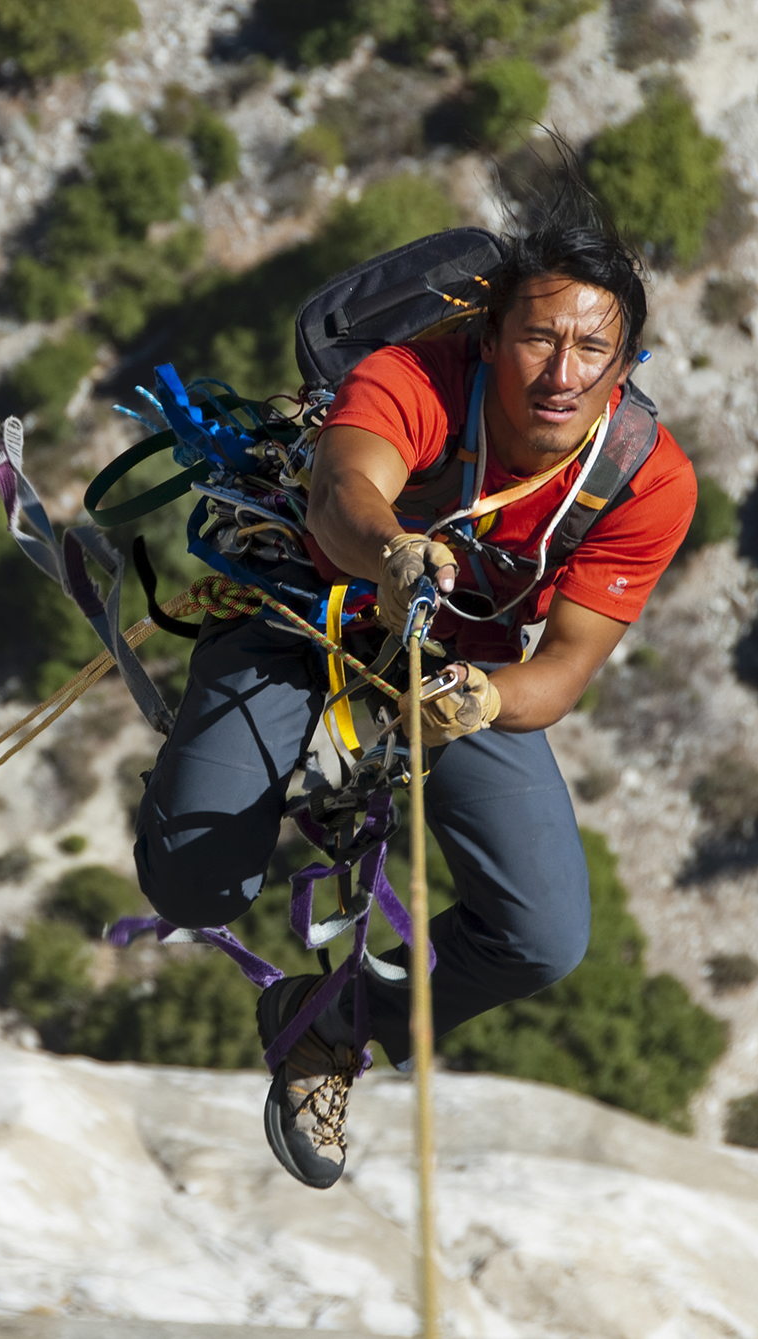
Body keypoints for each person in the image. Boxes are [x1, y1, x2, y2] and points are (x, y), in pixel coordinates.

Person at [131, 179, 698, 1189]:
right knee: (191, 878)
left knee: (541, 936)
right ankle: (200, 784)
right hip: (301, 607)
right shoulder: (416, 377)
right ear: (489, 333)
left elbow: (559, 670)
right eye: (535, 338)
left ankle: (325, 1028)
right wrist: (390, 552)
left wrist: (482, 701)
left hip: (449, 666)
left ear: (623, 364)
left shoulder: (644, 480)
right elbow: (342, 490)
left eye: (589, 350)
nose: (559, 371)